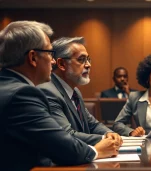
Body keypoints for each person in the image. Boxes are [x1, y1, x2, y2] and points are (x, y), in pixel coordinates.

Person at [0, 21, 119, 171]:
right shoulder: (22, 95)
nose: (53, 61)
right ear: (33, 58)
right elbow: (61, 145)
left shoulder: (8, 85)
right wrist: (97, 151)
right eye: (50, 53)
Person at [38, 37, 121, 146]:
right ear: (62, 64)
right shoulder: (48, 91)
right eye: (81, 59)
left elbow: (92, 124)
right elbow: (66, 134)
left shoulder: (75, 92)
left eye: (88, 59)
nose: (88, 65)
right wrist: (104, 138)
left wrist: (109, 133)